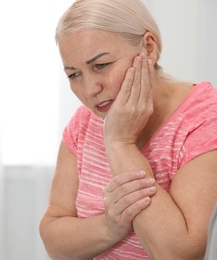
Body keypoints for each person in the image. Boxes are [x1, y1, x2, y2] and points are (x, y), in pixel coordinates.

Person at [39, 0, 217, 259]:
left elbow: (179, 254)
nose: (89, 90)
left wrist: (120, 143)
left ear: (148, 47)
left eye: (101, 65)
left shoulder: (204, 118)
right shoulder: (84, 122)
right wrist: (109, 226)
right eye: (74, 75)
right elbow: (53, 238)